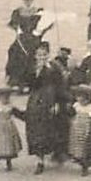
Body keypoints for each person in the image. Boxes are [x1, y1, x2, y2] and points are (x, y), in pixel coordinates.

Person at [23, 42, 66, 173]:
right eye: (39, 55)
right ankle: (39, 160)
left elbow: (60, 86)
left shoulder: (54, 68)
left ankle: (56, 152)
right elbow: (29, 84)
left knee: (52, 127)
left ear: (48, 55)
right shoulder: (32, 68)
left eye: (44, 54)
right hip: (36, 100)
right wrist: (36, 72)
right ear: (35, 56)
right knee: (36, 128)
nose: (42, 57)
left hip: (51, 98)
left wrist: (57, 102)